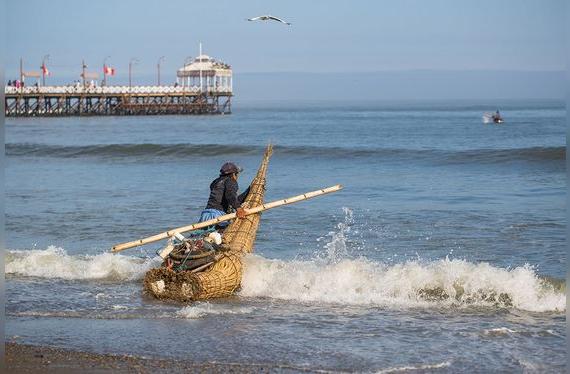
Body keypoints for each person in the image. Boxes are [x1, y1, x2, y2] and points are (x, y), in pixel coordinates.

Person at [199, 162, 250, 229]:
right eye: (237, 174)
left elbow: (230, 199)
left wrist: (248, 191)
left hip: (205, 215)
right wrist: (239, 209)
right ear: (233, 174)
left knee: (205, 236)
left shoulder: (215, 182)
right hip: (217, 216)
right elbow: (230, 196)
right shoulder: (231, 181)